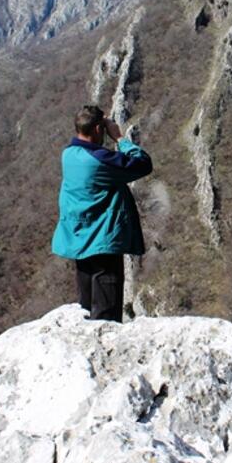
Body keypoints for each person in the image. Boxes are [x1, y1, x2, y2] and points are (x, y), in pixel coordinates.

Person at [51, 105, 152, 321]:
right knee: (106, 312)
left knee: (86, 307)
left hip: (80, 241)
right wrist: (119, 138)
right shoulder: (100, 160)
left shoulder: (68, 154)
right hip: (103, 242)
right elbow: (143, 164)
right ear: (98, 129)